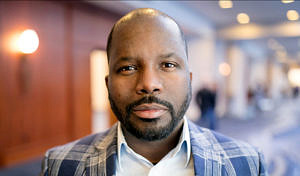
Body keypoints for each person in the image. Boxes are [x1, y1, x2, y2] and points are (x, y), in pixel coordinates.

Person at [40, 8, 267, 176]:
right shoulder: (60, 165)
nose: (148, 84)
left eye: (168, 65)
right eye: (128, 68)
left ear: (189, 80)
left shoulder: (247, 163)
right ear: (108, 84)